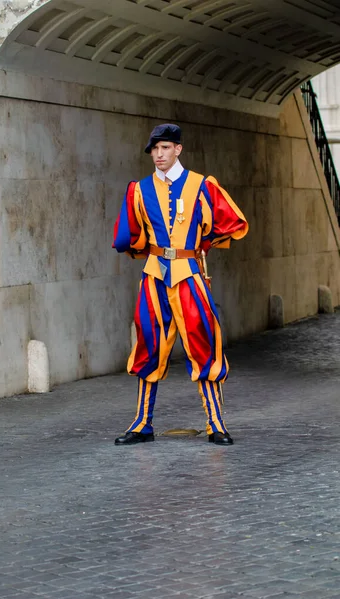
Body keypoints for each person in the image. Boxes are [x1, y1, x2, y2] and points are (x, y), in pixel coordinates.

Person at [113, 123, 248, 446]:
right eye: (154, 150)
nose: (158, 155)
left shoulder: (202, 185)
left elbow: (230, 221)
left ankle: (216, 423)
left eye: (164, 148)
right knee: (148, 343)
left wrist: (202, 245)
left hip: (189, 273)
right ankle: (142, 422)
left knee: (203, 341)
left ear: (178, 149)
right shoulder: (140, 190)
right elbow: (128, 234)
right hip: (155, 274)